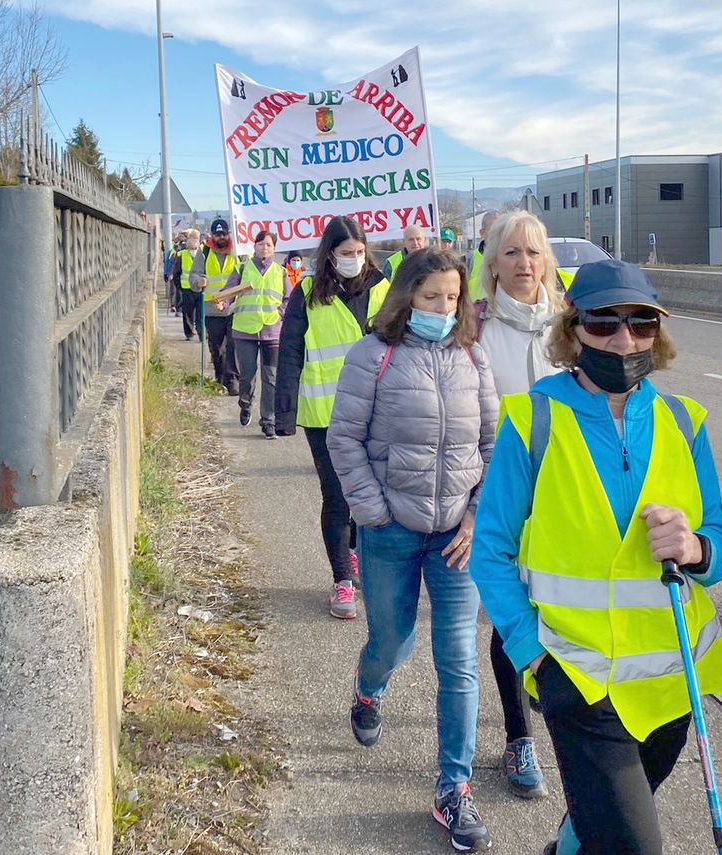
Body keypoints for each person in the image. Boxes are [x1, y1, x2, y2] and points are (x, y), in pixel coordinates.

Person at [471, 259, 722, 855]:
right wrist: (531, 653)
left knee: (599, 826)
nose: (624, 338)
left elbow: (716, 544)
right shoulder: (535, 419)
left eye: (642, 323)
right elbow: (491, 551)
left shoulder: (683, 422)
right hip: (577, 678)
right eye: (603, 322)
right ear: (573, 330)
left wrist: (695, 547)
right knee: (633, 846)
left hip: (669, 682)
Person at [327, 247, 498, 853]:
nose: (444, 309)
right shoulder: (373, 357)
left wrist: (476, 518)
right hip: (391, 530)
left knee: (458, 661)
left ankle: (453, 789)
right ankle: (369, 687)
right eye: (431, 298)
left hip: (455, 538)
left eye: (453, 298)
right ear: (406, 298)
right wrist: (372, 511)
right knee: (391, 640)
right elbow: (343, 439)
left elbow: (492, 444)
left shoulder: (472, 358)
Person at [472, 210, 564, 799]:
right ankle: (517, 736)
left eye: (533, 253)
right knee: (509, 612)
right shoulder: (474, 329)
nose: (524, 264)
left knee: (555, 606)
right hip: (499, 490)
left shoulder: (574, 325)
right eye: (511, 253)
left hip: (564, 495)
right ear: (493, 264)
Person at [275, 216, 391, 620]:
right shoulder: (307, 293)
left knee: (366, 494)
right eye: (346, 254)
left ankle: (352, 552)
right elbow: (289, 352)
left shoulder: (381, 288)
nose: (354, 260)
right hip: (324, 413)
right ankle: (341, 577)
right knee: (337, 497)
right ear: (330, 255)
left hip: (375, 411)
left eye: (359, 253)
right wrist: (283, 413)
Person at [212, 229, 284, 437]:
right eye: (261, 244)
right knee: (247, 375)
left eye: (269, 244)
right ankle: (245, 404)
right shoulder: (242, 268)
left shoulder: (280, 271)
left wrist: (281, 313)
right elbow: (227, 293)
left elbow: (288, 298)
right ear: (254, 246)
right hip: (245, 331)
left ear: (274, 248)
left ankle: (268, 420)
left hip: (271, 330)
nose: (264, 248)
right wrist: (222, 303)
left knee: (270, 377)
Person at [191, 219, 241, 396]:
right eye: (217, 234)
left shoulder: (238, 251)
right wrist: (198, 281)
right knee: (217, 348)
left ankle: (233, 380)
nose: (221, 237)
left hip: (234, 308)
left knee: (233, 346)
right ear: (212, 235)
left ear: (229, 233)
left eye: (224, 234)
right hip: (212, 310)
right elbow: (194, 275)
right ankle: (220, 378)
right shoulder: (204, 252)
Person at [174, 230, 205, 340]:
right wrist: (180, 287)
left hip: (200, 289)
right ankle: (189, 333)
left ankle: (201, 333)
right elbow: (176, 273)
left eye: (196, 239)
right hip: (187, 289)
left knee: (200, 313)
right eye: (192, 239)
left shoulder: (203, 254)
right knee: (188, 313)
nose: (194, 242)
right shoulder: (182, 255)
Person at [466, 211, 498, 301]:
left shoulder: (511, 260)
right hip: (474, 313)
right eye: (493, 230)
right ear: (482, 233)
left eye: (502, 230)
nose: (498, 235)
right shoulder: (468, 260)